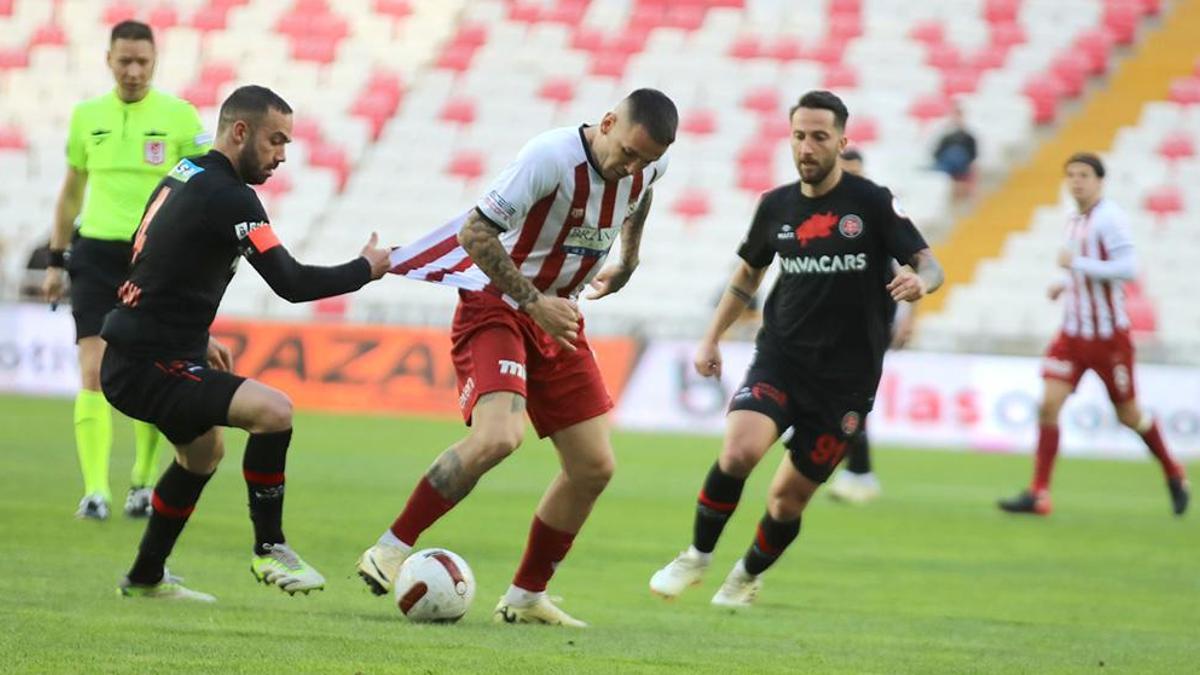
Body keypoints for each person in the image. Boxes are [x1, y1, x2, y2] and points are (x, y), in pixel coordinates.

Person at [359, 89, 677, 627]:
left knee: (593, 467)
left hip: (559, 312)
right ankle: (389, 549)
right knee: (497, 437)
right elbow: (474, 231)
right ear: (605, 123)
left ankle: (526, 596)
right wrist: (532, 302)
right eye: (627, 153)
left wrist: (629, 257)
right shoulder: (549, 157)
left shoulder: (649, 163)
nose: (633, 167)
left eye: (645, 160)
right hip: (499, 305)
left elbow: (641, 195)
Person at [648, 90, 943, 607]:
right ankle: (696, 555)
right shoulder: (776, 206)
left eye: (820, 138)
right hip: (782, 358)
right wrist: (712, 336)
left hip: (846, 381)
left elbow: (929, 262)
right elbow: (747, 274)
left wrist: (922, 282)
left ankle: (745, 575)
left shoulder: (871, 202)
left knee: (786, 500)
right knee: (739, 451)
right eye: (799, 136)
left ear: (842, 141)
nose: (807, 147)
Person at [102, 85, 391, 601]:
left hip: (143, 349)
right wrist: (364, 270)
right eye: (275, 140)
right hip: (149, 362)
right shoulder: (232, 197)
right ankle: (269, 547)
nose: (282, 155)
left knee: (204, 453)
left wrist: (198, 335)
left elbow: (158, 256)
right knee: (274, 411)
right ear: (240, 132)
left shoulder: (185, 172)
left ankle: (146, 576)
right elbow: (292, 283)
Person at [42, 21, 212, 521]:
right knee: (93, 369)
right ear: (108, 59)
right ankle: (95, 491)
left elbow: (205, 191)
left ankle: (142, 480)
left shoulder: (179, 117)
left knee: (152, 368)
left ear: (155, 60)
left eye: (142, 61)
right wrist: (56, 259)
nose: (133, 71)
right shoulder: (86, 117)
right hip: (94, 253)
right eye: (124, 61)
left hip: (154, 257)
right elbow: (72, 190)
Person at [998, 153, 1189, 517]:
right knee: (1048, 404)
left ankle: (1174, 473)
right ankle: (1039, 494)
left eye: (1084, 175)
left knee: (1129, 415)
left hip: (1107, 339)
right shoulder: (1074, 220)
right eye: (1070, 175)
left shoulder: (1110, 219)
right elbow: (1082, 271)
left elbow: (1128, 270)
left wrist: (1076, 266)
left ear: (1100, 181)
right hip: (1072, 334)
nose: (1076, 181)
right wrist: (1063, 283)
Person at [826, 147, 916, 504]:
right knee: (839, 397)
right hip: (834, 322)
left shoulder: (878, 212)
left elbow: (910, 267)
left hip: (873, 321)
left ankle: (859, 473)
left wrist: (910, 320)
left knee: (849, 397)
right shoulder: (827, 215)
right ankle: (855, 471)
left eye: (856, 173)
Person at [931, 103, 977, 200]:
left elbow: (973, 154)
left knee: (957, 154)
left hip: (962, 165)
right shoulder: (946, 136)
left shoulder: (968, 136)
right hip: (946, 164)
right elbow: (937, 152)